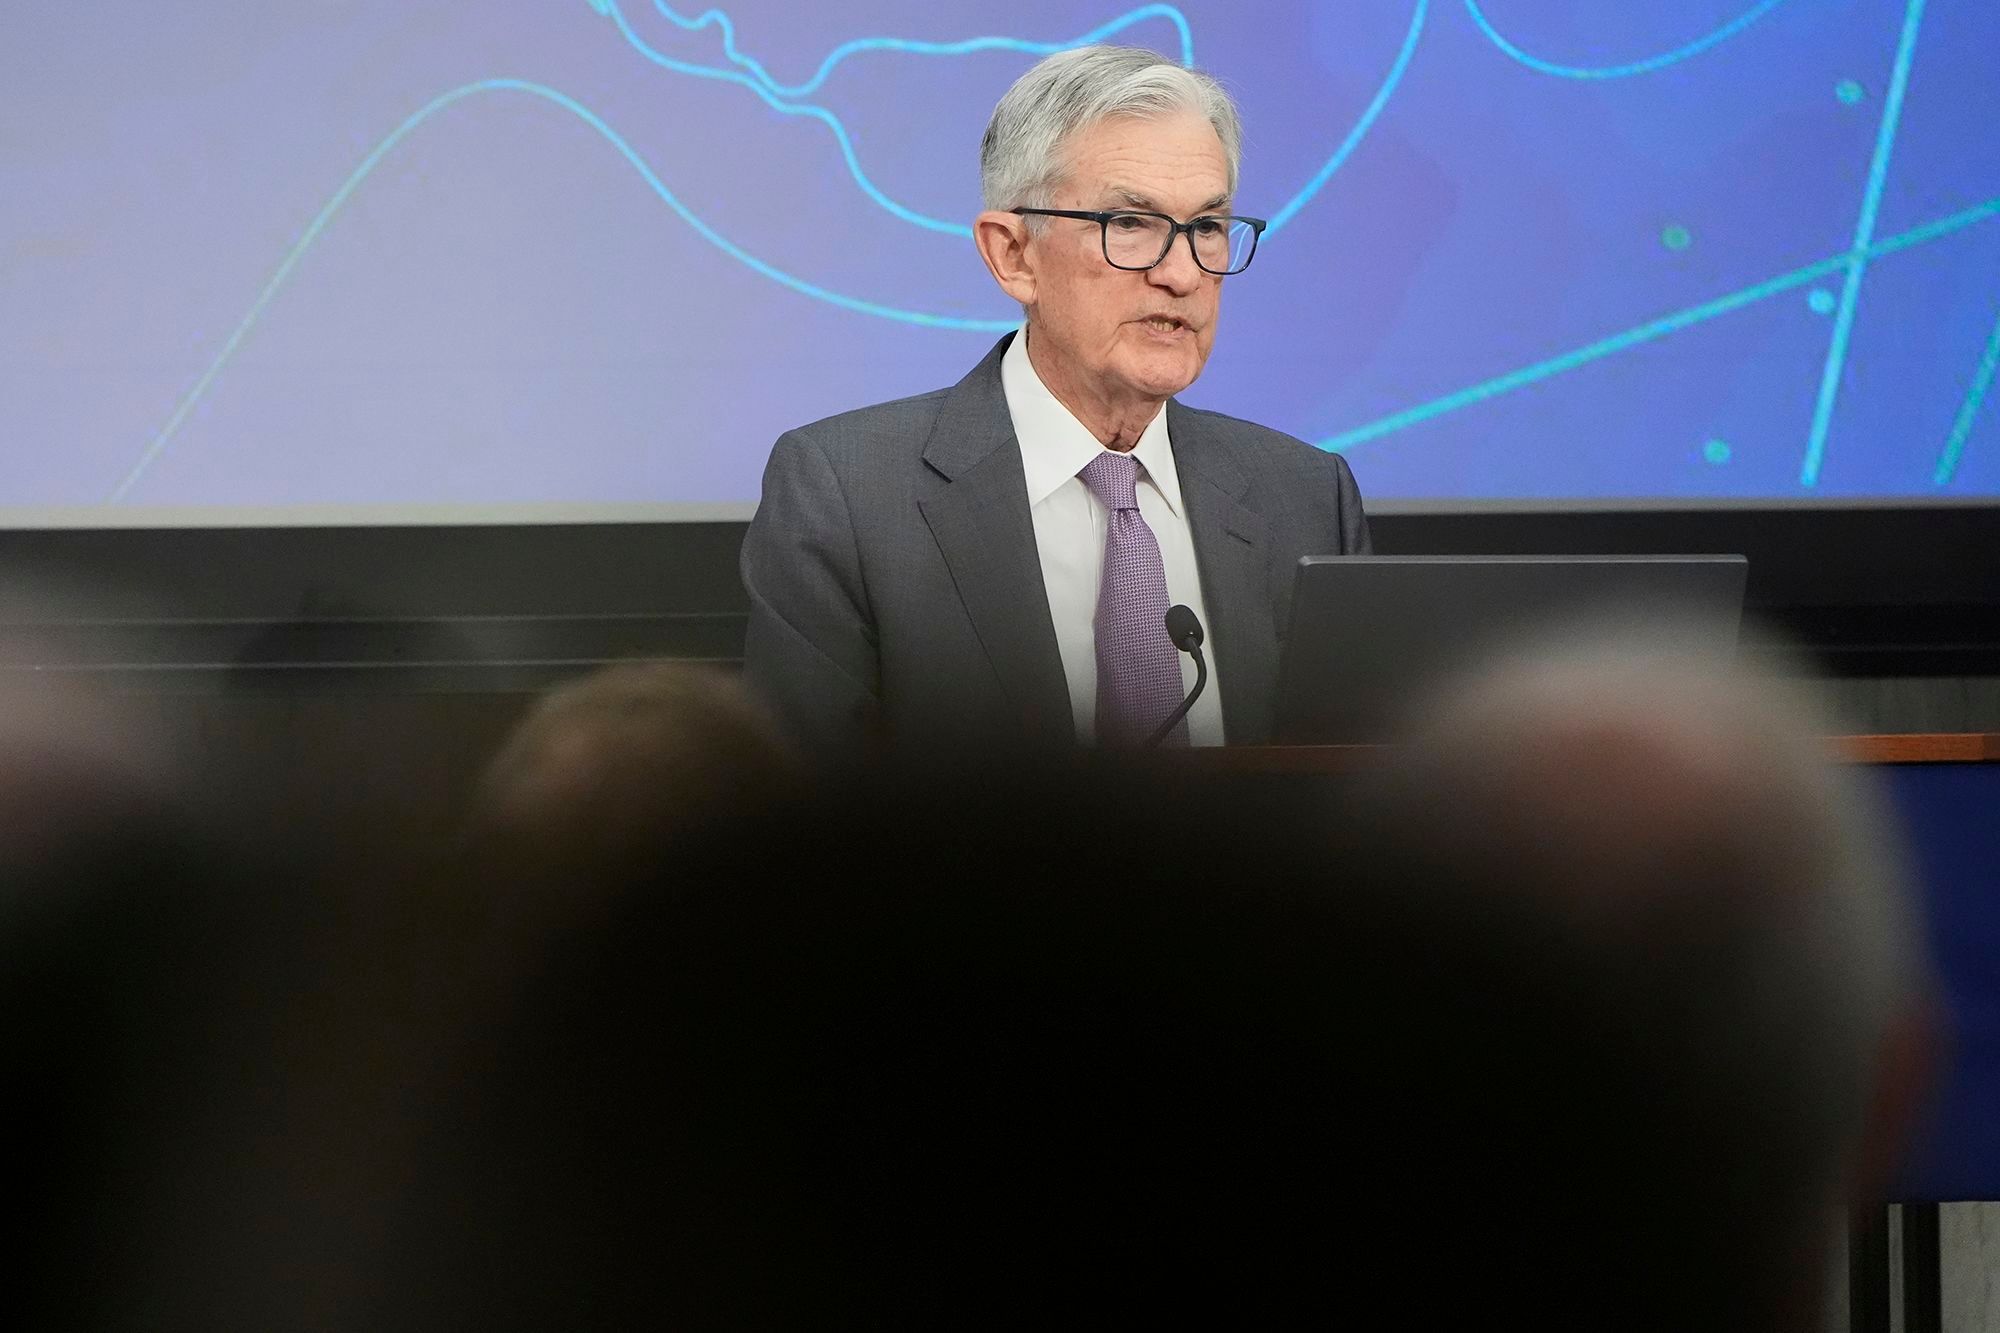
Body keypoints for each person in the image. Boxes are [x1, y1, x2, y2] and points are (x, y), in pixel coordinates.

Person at [742, 45, 1369, 758]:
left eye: (1206, 229)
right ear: (1014, 255)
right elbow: (796, 836)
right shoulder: (846, 499)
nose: (1181, 273)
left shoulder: (1307, 497)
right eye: (1129, 224)